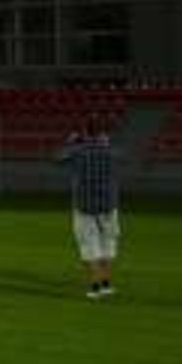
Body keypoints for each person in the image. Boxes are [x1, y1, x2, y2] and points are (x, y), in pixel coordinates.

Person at [58, 121, 122, 299]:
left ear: (85, 133)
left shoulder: (78, 152)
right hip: (108, 204)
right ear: (102, 134)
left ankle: (95, 287)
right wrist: (104, 143)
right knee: (108, 243)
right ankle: (106, 284)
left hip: (84, 205)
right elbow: (121, 156)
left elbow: (59, 158)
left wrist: (72, 143)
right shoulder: (110, 151)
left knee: (89, 245)